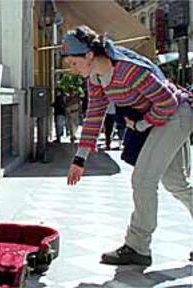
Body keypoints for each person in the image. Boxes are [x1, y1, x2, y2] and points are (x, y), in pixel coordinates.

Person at [62, 25, 193, 266]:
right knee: (177, 184)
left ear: (89, 55)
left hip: (175, 115)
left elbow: (168, 102)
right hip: (162, 117)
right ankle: (138, 246)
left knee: (143, 180)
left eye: (73, 62)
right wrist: (80, 158)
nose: (72, 69)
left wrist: (142, 125)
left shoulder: (129, 70)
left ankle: (138, 246)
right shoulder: (96, 77)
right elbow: (94, 113)